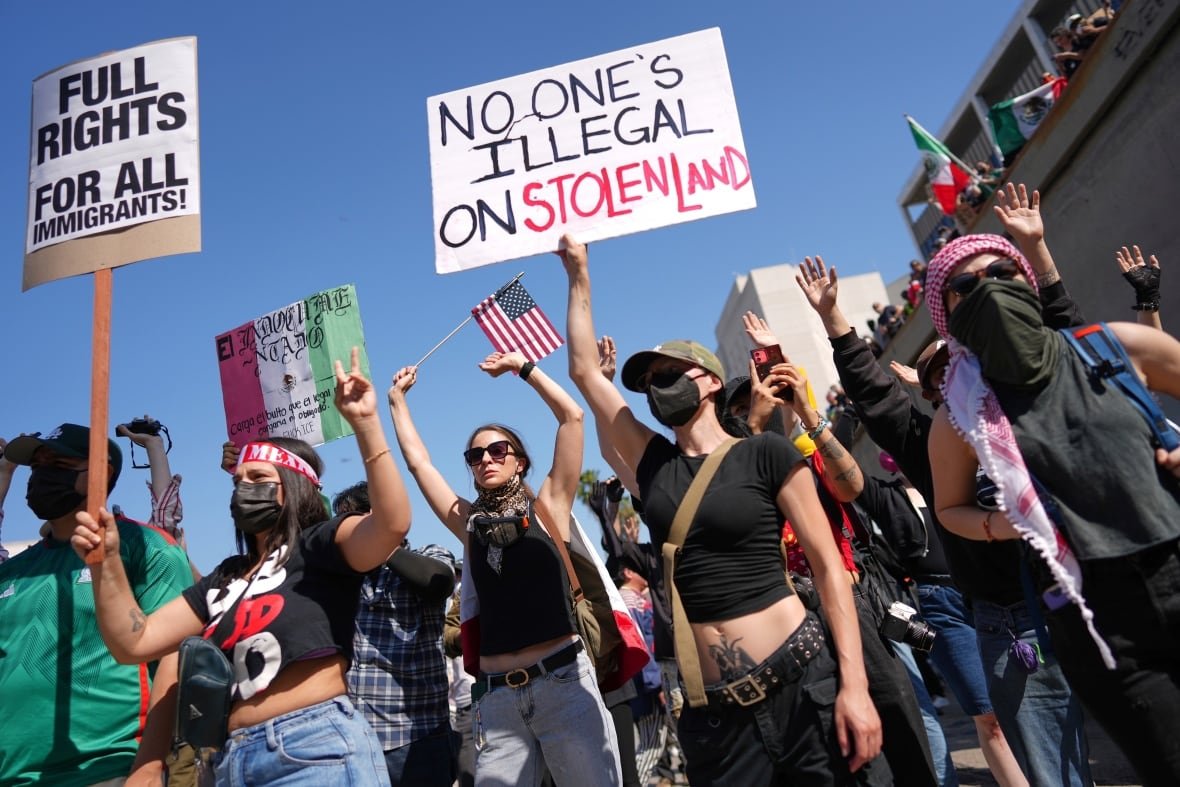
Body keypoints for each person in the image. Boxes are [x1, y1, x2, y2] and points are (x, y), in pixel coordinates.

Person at [561, 234, 886, 786]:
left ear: (709, 381)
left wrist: (854, 686)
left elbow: (829, 567)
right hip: (716, 718)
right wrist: (578, 274)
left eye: (667, 376)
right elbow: (585, 373)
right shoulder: (654, 465)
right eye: (647, 385)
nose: (656, 389)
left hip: (804, 685)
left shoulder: (766, 453)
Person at [796, 241, 1072, 787]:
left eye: (959, 361)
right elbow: (876, 399)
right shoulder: (931, 445)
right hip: (1007, 618)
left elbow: (1066, 345)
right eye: (940, 373)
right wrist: (834, 320)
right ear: (930, 392)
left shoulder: (1037, 400)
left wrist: (1041, 254)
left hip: (1087, 590)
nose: (955, 375)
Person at [71, 349, 411, 786]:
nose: (242, 489)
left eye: (258, 479)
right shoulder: (224, 577)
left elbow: (391, 523)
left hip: (314, 749)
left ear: (293, 487)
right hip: (231, 763)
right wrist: (107, 564)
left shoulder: (319, 545)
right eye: (238, 481)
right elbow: (134, 642)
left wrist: (366, 424)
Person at [925, 233, 1180, 785]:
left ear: (1030, 282)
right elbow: (950, 507)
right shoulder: (958, 416)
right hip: (1100, 622)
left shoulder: (1113, 345)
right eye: (965, 286)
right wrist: (1004, 524)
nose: (988, 290)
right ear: (946, 316)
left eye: (1002, 273)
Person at [386, 350, 622, 786]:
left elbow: (572, 418)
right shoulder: (469, 523)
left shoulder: (549, 505)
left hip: (564, 684)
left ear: (519, 460)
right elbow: (420, 465)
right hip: (496, 701)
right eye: (475, 456)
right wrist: (397, 402)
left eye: (498, 450)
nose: (486, 460)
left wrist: (523, 368)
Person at [0, 423, 192, 786]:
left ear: (100, 474)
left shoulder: (146, 547)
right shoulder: (13, 572)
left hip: (108, 770)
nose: (41, 474)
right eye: (36, 465)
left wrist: (150, 765)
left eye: (56, 462)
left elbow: (176, 657)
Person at [332, 480, 458, 786]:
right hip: (352, 744)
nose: (343, 533)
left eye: (350, 522)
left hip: (417, 740)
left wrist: (380, 538)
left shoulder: (430, 555)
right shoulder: (340, 577)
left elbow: (438, 582)